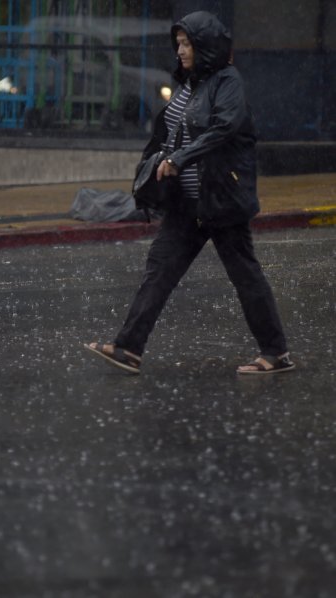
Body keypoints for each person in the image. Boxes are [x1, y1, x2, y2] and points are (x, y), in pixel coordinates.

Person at [84, 11, 295, 375]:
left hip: (221, 199)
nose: (180, 51)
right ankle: (128, 348)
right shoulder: (189, 83)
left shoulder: (227, 82)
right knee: (159, 270)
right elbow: (170, 133)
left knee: (245, 276)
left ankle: (276, 353)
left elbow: (224, 128)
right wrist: (152, 170)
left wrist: (180, 158)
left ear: (205, 46)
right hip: (186, 204)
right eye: (178, 44)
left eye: (187, 44)